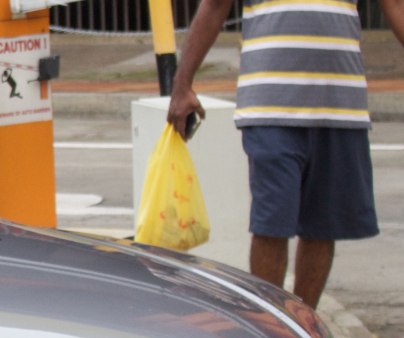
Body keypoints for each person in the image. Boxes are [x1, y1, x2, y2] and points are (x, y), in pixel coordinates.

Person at [169, 0, 404, 309]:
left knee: (322, 227)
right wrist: (182, 84)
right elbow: (214, 6)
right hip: (270, 106)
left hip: (339, 106)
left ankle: (303, 322)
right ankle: (267, 323)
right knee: (271, 224)